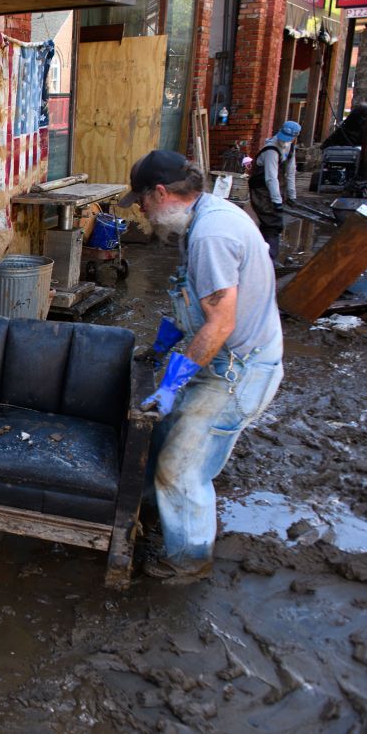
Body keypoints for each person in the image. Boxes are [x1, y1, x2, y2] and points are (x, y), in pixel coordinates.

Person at [119, 150, 284, 584]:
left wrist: (172, 384)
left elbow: (220, 324)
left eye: (141, 201)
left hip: (237, 371)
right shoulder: (200, 220)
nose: (140, 210)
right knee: (165, 438)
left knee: (182, 467)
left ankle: (189, 559)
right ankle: (151, 517)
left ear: (161, 193)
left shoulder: (212, 234)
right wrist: (160, 349)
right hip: (222, 359)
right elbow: (190, 301)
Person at [248, 120, 300, 265]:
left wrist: (292, 195)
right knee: (272, 222)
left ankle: (263, 256)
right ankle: (270, 259)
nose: (284, 141)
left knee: (270, 223)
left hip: (274, 188)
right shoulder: (271, 149)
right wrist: (277, 201)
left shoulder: (290, 147)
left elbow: (291, 172)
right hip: (261, 189)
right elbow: (271, 178)